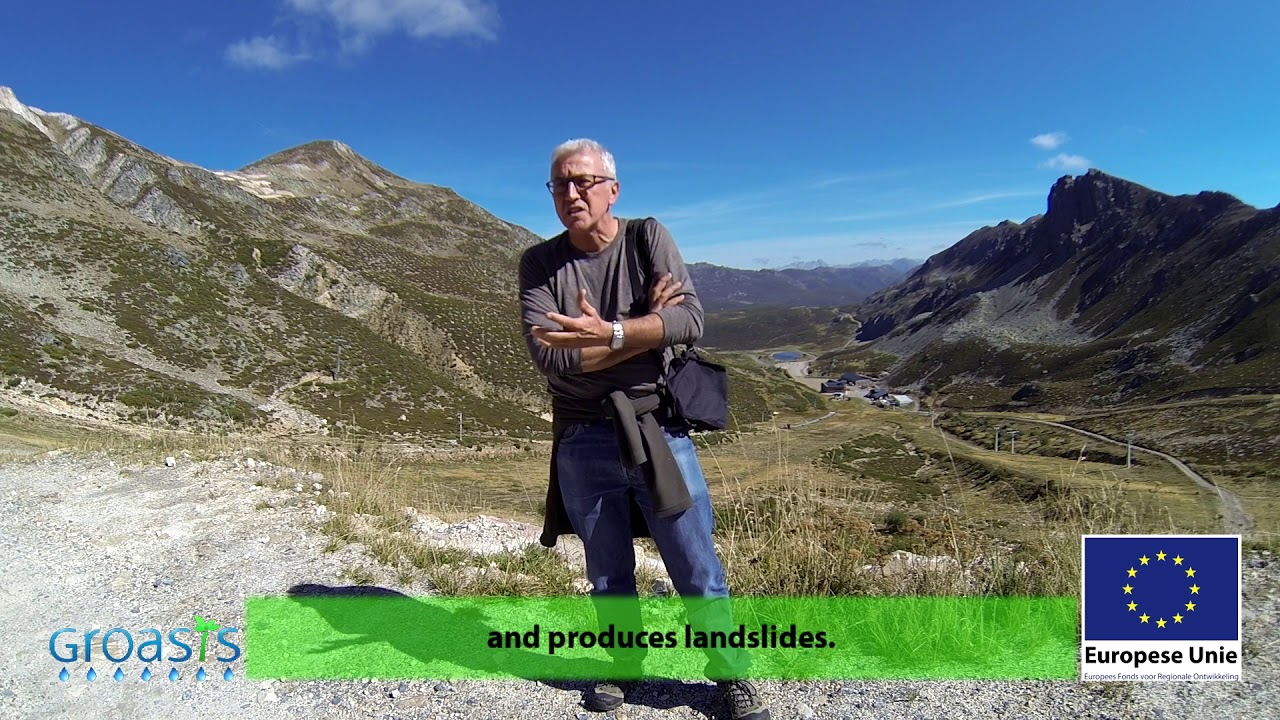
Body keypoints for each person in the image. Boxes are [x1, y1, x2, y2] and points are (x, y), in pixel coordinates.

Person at [518, 139, 770, 720]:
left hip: (656, 427)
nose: (571, 193)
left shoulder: (646, 237)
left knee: (694, 562)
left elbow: (690, 321)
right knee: (606, 569)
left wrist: (605, 334)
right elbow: (551, 360)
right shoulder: (539, 263)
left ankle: (731, 674)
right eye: (560, 184)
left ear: (612, 189)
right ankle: (624, 662)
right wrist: (643, 330)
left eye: (583, 181)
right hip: (582, 435)